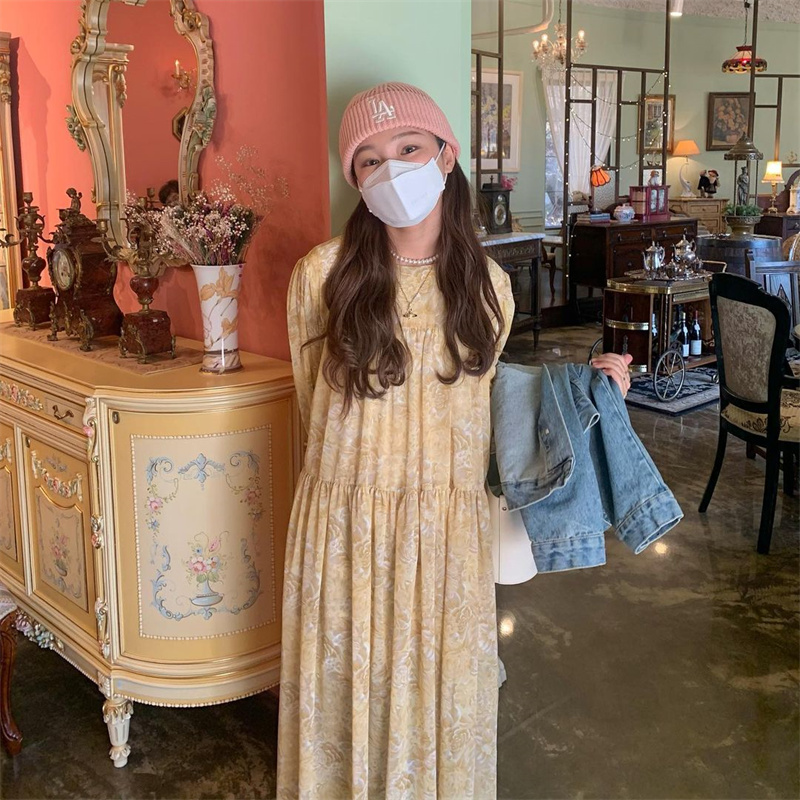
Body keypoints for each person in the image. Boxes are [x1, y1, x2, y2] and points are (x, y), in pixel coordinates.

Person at [276, 82, 632, 799]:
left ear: (446, 155)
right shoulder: (320, 276)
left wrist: (585, 391)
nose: (391, 169)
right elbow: (313, 411)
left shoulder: (491, 287)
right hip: (345, 531)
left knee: (437, 705)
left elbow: (485, 409)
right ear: (356, 181)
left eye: (408, 147)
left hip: (447, 536)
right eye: (369, 160)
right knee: (345, 703)